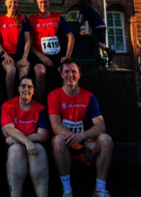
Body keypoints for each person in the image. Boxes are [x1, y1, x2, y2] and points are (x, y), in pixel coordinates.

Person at [48, 59, 113, 197]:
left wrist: (82, 136)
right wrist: (83, 141)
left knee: (106, 139)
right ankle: (67, 190)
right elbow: (56, 126)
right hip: (65, 149)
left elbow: (101, 126)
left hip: (86, 150)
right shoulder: (53, 95)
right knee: (58, 140)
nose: (70, 75)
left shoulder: (89, 96)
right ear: (61, 74)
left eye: (73, 71)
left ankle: (99, 189)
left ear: (79, 75)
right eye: (66, 71)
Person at [0, 75, 50, 197]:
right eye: (23, 86)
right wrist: (26, 142)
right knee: (16, 150)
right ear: (18, 88)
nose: (26, 89)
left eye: (29, 87)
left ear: (34, 90)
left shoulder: (40, 109)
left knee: (38, 149)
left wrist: (21, 140)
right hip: (12, 146)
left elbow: (43, 136)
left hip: (32, 144)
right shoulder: (8, 105)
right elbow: (7, 130)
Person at [27, 0, 74, 104]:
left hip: (58, 55)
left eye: (45, 2)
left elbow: (71, 37)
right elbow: (30, 44)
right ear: (36, 4)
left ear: (49, 3)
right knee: (39, 72)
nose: (43, 4)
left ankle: (65, 105)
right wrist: (41, 57)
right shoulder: (32, 20)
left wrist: (68, 56)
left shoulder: (58, 17)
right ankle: (40, 106)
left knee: (68, 73)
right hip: (40, 56)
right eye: (40, 2)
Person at [0, 0, 32, 101]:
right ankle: (10, 101)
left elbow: (28, 41)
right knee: (11, 71)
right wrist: (5, 55)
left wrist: (24, 58)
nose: (13, 4)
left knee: (23, 74)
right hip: (6, 56)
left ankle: (23, 101)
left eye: (15, 2)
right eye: (10, 2)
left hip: (21, 56)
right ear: (6, 3)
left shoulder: (23, 19)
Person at [76, 0, 116, 64]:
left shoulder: (84, 7)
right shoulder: (90, 8)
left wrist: (75, 25)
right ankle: (101, 57)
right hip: (102, 25)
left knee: (94, 41)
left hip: (97, 26)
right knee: (97, 43)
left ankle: (108, 50)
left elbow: (79, 19)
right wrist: (78, 26)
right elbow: (84, 19)